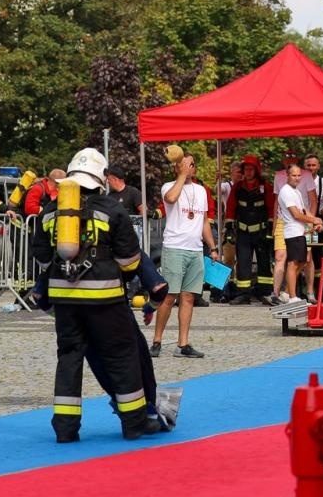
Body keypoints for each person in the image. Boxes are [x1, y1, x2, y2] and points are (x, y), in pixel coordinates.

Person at [29, 147, 159, 443]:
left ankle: (65, 428)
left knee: (69, 357)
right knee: (121, 356)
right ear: (100, 178)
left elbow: (42, 259)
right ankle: (134, 423)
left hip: (64, 301)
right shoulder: (112, 209)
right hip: (105, 300)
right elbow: (130, 260)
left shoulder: (50, 211)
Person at [150, 152, 212, 358]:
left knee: (188, 297)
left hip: (195, 249)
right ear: (175, 168)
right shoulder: (169, 186)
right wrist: (181, 176)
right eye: (183, 165)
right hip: (175, 247)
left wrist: (212, 247)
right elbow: (170, 199)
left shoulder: (201, 191)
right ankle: (157, 341)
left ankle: (183, 344)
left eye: (191, 164)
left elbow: (203, 222)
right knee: (169, 296)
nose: (188, 167)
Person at [229, 155, 276, 303]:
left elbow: (271, 208)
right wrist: (229, 228)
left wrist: (270, 230)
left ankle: (265, 292)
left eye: (251, 169)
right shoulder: (237, 187)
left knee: (264, 262)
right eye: (246, 169)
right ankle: (243, 293)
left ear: (257, 170)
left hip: (261, 232)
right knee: (243, 262)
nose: (248, 172)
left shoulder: (266, 187)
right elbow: (231, 207)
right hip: (243, 232)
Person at [276, 162, 323, 305]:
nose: (297, 178)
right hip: (292, 231)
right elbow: (296, 214)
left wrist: (315, 223)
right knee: (293, 263)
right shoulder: (286, 191)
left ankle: (287, 292)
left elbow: (304, 211)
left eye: (299, 175)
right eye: (293, 175)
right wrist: (314, 219)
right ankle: (292, 296)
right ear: (287, 175)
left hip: (301, 231)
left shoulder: (296, 191)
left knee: (303, 261)